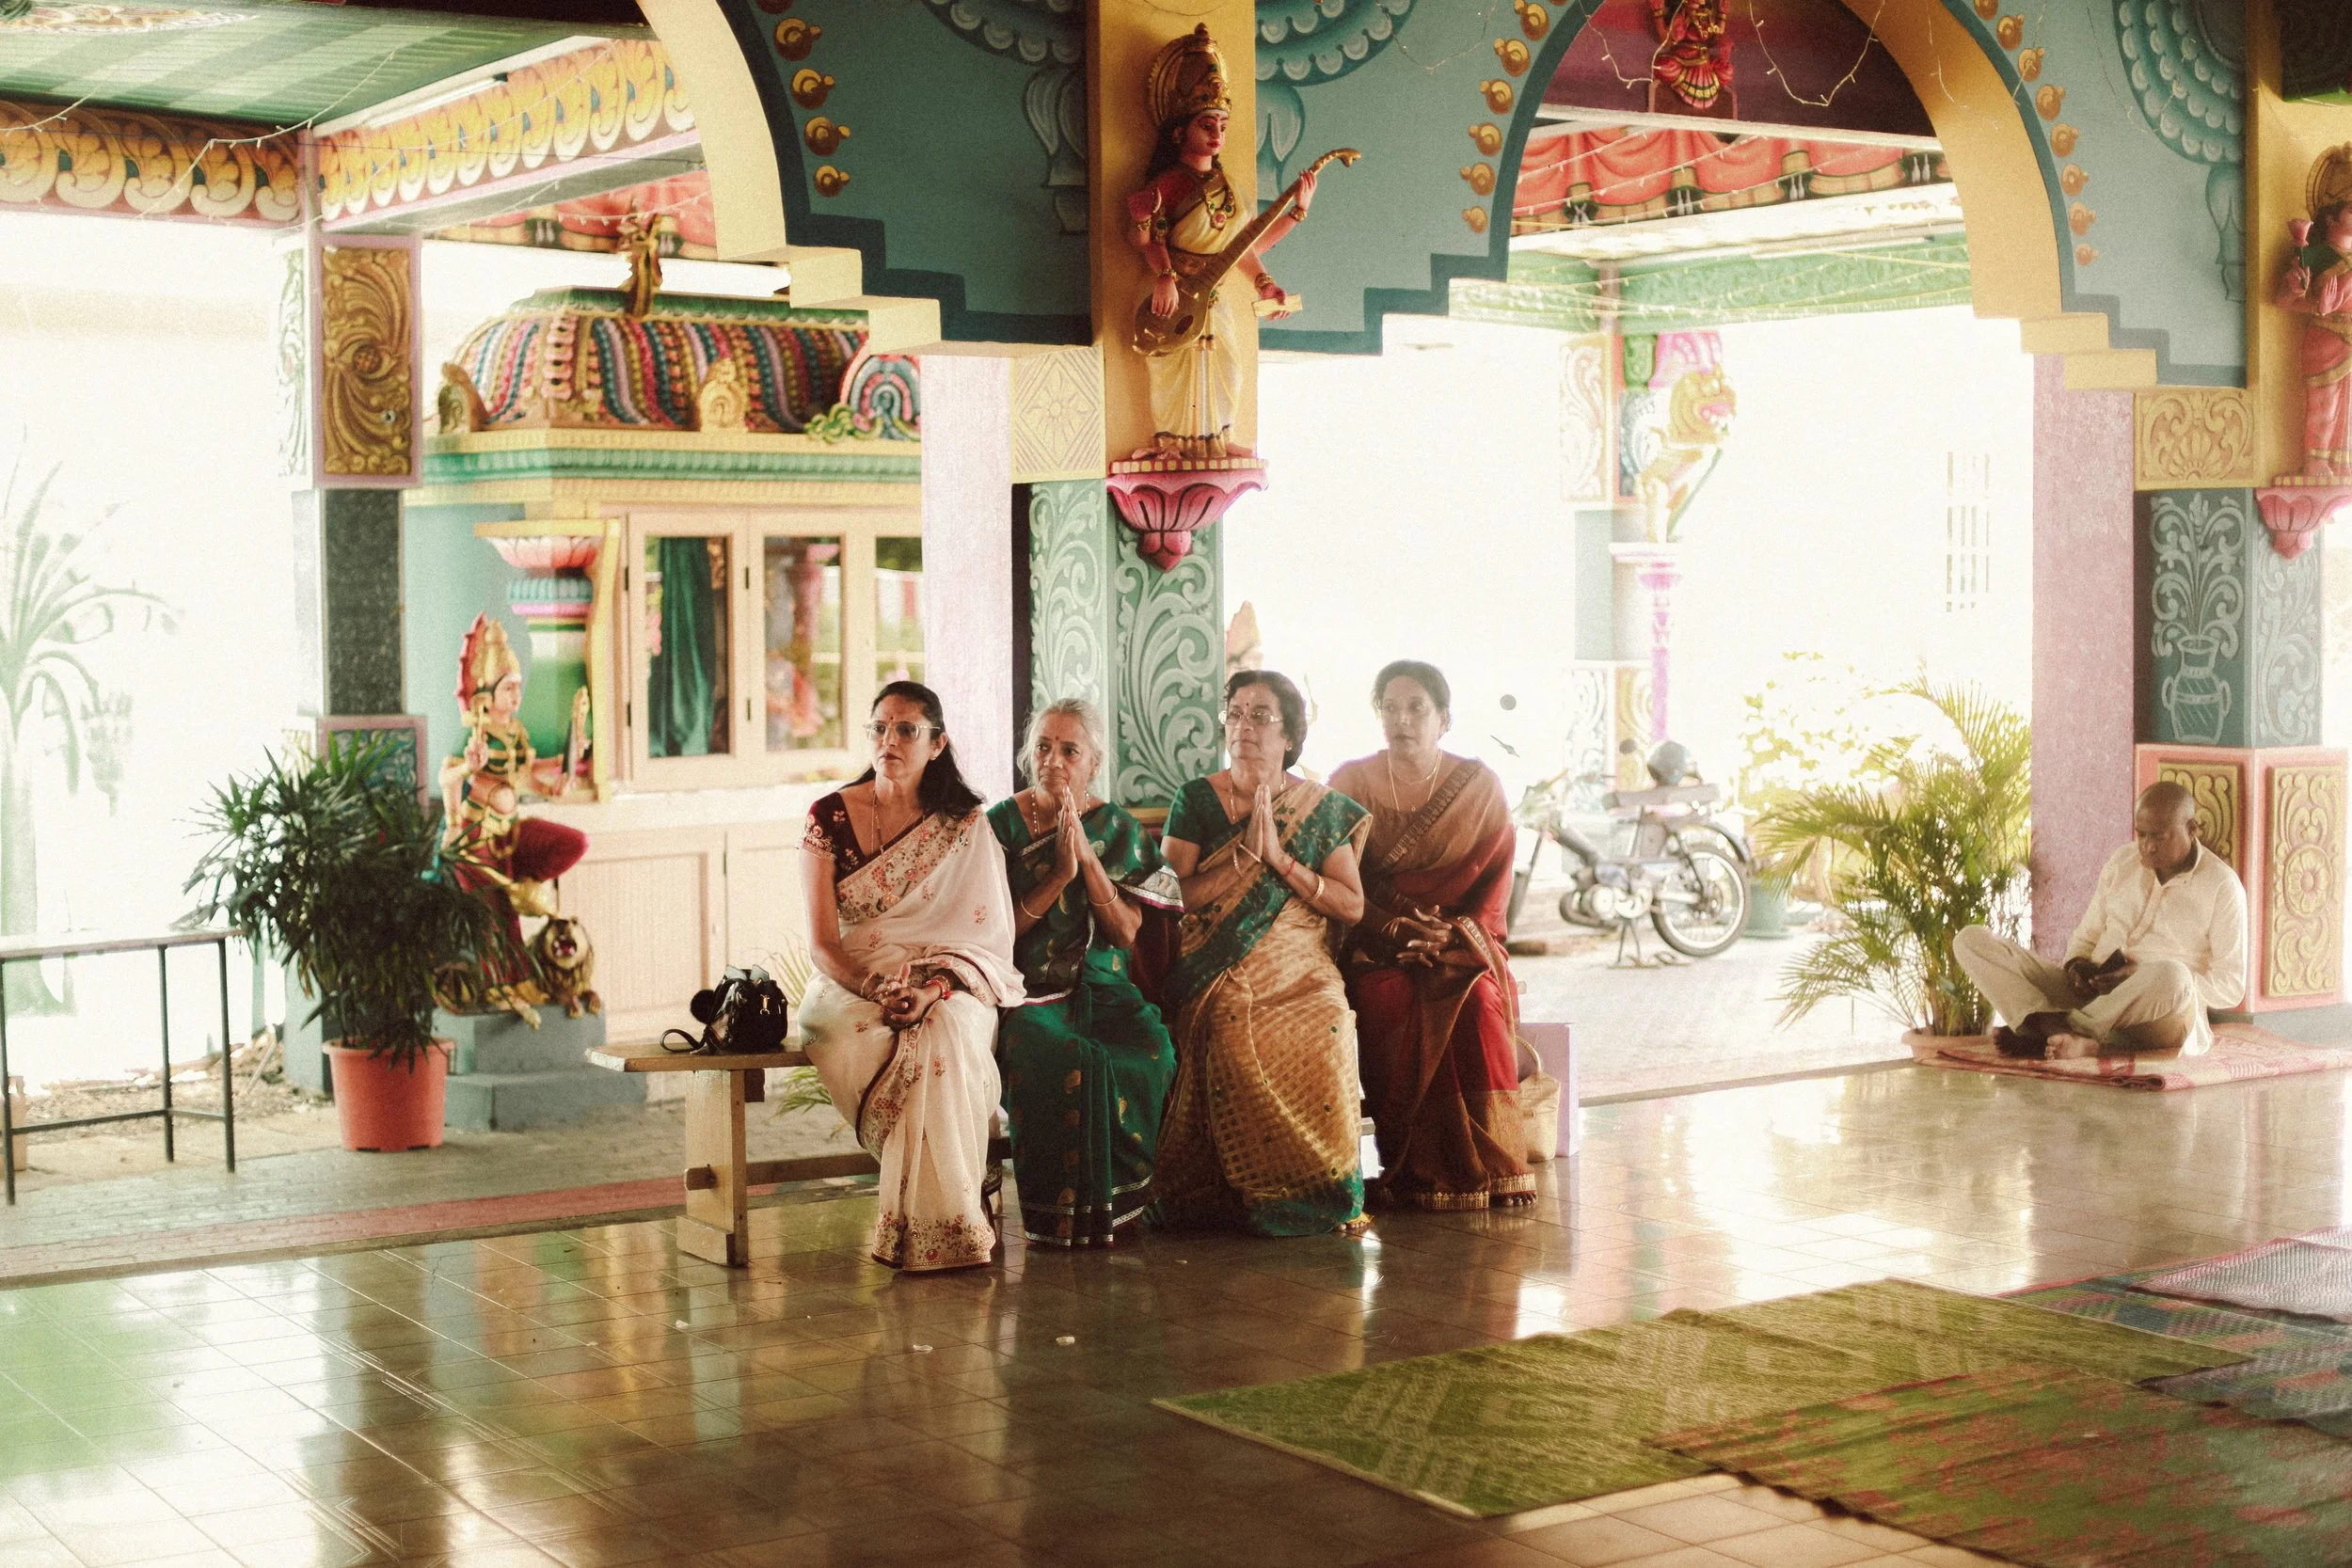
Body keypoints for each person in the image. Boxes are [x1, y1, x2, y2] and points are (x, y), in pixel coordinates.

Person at [800, 682, 1025, 1272]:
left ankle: (940, 1228)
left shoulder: (963, 825)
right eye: (879, 728)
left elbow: (983, 941)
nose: (889, 741)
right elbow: (822, 943)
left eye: (906, 730)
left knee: (948, 1032)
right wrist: (875, 988)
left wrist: (931, 990)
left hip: (948, 977)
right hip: (852, 979)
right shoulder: (829, 817)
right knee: (868, 1037)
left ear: (937, 743)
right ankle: (947, 1216)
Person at [1154, 670, 1373, 1236]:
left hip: (1300, 961)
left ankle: (1321, 1189)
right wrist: (1242, 861)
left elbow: (1351, 906)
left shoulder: (1321, 809)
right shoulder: (1197, 799)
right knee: (1230, 1022)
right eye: (1235, 713)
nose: (1243, 726)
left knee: (1328, 1022)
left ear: (1290, 735)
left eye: (1260, 716)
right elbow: (1169, 896)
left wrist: (1280, 860)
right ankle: (1243, 1192)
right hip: (1219, 961)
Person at [1329, 662, 1535, 1212]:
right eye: (1390, 708)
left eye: (1416, 707)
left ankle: (1495, 1164)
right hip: (1375, 941)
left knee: (1480, 1001)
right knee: (1390, 998)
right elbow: (1337, 880)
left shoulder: (1479, 788)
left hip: (1459, 942)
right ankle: (1417, 1166)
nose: (1402, 719)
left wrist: (1451, 936)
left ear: (1444, 719)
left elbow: (1494, 888)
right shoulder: (1349, 784)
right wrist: (1392, 928)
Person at [988, 699, 1183, 1249]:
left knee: (1151, 1051)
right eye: (1043, 748)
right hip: (1028, 991)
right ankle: (1056, 1218)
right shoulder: (1001, 826)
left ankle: (1117, 1212)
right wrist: (1059, 874)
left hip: (1106, 989)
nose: (1053, 761)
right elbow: (996, 934)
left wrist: (1089, 862)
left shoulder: (1116, 828)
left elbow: (1124, 933)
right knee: (1055, 1056)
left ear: (1093, 763)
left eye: (1069, 750)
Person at [1125, 24, 1315, 460]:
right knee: (1175, 367)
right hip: (1174, 293)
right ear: (1179, 132)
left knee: (1227, 366)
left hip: (1213, 296)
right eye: (1206, 124)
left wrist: (1267, 280)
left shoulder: (1231, 190)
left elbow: (1244, 249)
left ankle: (1217, 440)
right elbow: (1147, 239)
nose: (1216, 134)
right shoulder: (1168, 184)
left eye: (1223, 126)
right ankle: (1171, 444)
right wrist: (1164, 276)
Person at [1952, 782, 2246, 1059]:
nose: (2148, 846)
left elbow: (2230, 986)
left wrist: (2137, 976)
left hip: (2160, 1015)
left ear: (2192, 828)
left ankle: (2057, 1030)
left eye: (2158, 837)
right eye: (2141, 835)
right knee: (1971, 940)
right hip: (2094, 997)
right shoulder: (2122, 862)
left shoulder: (2222, 885)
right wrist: (2077, 967)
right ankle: (2055, 1029)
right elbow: (2086, 936)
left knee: (2174, 975)